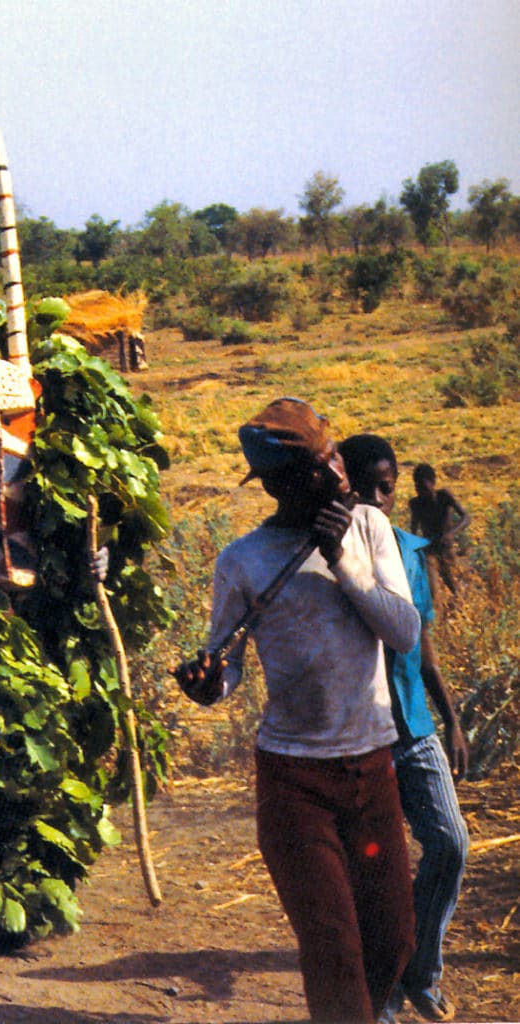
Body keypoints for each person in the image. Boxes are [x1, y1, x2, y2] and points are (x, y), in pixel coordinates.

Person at [173, 397, 421, 1024]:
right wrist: (208, 684)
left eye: (334, 457)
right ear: (279, 485)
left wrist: (342, 559)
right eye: (318, 468)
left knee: (393, 939)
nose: (338, 477)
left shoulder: (367, 530)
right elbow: (224, 662)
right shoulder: (243, 560)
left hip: (372, 768)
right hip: (294, 782)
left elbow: (403, 632)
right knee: (333, 946)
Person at [340, 434, 470, 1024]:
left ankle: (421, 969)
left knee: (451, 842)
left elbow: (425, 649)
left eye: (384, 487)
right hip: (360, 736)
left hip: (414, 727)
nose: (375, 498)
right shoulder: (330, 553)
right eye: (363, 486)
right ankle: (389, 989)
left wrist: (453, 718)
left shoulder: (411, 554)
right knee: (374, 870)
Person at [408, 464, 470, 598]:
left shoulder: (444, 497)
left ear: (433, 483)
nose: (421, 492)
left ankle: (458, 614)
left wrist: (451, 533)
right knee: (433, 591)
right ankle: (437, 616)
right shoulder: (415, 504)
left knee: (455, 588)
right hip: (430, 550)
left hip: (446, 549)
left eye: (423, 487)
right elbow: (413, 529)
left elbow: (466, 517)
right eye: (417, 487)